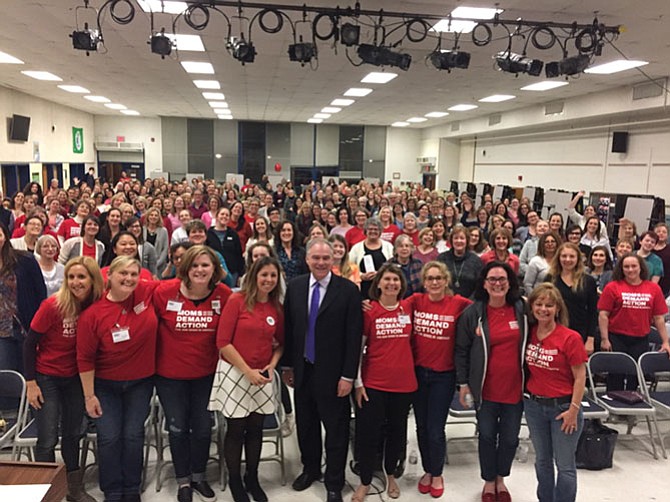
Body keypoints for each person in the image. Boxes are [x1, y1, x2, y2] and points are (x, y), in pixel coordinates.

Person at [282, 238, 362, 502]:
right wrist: (288, 366)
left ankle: (334, 482)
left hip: (334, 375)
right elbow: (290, 330)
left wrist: (348, 376)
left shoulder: (348, 290)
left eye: (326, 258)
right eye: (316, 258)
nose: (320, 263)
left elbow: (353, 337)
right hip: (303, 370)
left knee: (336, 431)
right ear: (307, 259)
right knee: (306, 426)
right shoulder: (294, 288)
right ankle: (311, 469)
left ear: (334, 260)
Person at [154, 245, 232, 502]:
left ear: (214, 269)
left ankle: (199, 475)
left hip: (207, 375)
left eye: (205, 265)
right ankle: (183, 480)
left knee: (202, 428)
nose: (200, 270)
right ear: (185, 267)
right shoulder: (165, 292)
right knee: (177, 429)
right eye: (195, 265)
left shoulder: (224, 294)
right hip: (170, 376)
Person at [77, 256, 158, 502]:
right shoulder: (93, 314)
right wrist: (89, 396)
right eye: (123, 273)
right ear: (108, 276)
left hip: (141, 383)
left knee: (133, 435)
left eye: (134, 274)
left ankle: (132, 487)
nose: (129, 279)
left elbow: (179, 284)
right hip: (105, 385)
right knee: (110, 436)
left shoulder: (145, 292)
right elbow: (84, 358)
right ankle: (112, 490)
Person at [24, 257, 103, 502]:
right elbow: (29, 344)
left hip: (76, 378)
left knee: (72, 434)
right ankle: (47, 491)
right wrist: (31, 383)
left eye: (81, 277)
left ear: (92, 279)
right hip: (47, 376)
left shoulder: (96, 306)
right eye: (71, 277)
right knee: (47, 437)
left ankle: (74, 489)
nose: (76, 282)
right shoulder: (53, 305)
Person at [213, 256, 284, 502]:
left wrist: (272, 365)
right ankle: (235, 479)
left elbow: (281, 344)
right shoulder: (237, 300)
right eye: (264, 274)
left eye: (273, 275)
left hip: (262, 375)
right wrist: (246, 370)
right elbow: (223, 342)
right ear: (254, 275)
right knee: (236, 430)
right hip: (236, 372)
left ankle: (251, 478)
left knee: (256, 430)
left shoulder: (276, 306)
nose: (268, 280)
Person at [455, 262, 527, 502]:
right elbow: (461, 350)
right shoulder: (473, 313)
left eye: (502, 279)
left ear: (510, 283)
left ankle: (501, 480)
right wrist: (463, 383)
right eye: (492, 279)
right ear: (484, 284)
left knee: (509, 438)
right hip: (484, 390)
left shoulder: (521, 309)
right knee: (486, 436)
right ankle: (488, 482)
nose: (497, 283)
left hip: (515, 389)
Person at [352, 263, 416, 502]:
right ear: (377, 283)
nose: (391, 284)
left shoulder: (409, 307)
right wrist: (358, 383)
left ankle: (391, 474)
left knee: (397, 433)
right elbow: (358, 350)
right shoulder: (369, 310)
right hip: (373, 384)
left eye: (396, 280)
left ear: (402, 285)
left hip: (404, 383)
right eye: (387, 279)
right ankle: (365, 480)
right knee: (368, 434)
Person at [408, 261, 472, 498]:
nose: (434, 282)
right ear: (424, 282)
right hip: (417, 373)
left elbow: (483, 310)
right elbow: (389, 306)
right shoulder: (415, 301)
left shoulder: (458, 304)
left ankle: (437, 473)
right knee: (421, 427)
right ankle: (428, 469)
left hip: (443, 376)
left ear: (446, 281)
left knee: (435, 429)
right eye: (430, 278)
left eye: (438, 278)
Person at [524, 283, 588, 502]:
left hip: (563, 409)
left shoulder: (570, 338)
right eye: (539, 304)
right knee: (542, 461)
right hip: (533, 407)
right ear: (532, 307)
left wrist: (574, 410)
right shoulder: (529, 334)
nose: (543, 309)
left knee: (565, 465)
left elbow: (580, 376)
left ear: (558, 308)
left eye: (549, 305)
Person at [598, 254, 670, 390]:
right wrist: (604, 339)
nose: (630, 269)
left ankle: (632, 406)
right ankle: (615, 406)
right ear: (621, 269)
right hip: (616, 338)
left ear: (640, 267)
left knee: (635, 376)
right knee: (615, 376)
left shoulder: (653, 289)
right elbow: (603, 315)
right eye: (626, 266)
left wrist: (665, 341)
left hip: (640, 339)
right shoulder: (612, 287)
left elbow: (659, 318)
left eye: (634, 266)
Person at [0, 221, 47, 372]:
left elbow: (40, 292)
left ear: (5, 236)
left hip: (21, 326)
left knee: (22, 374)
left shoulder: (25, 260)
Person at [546, 243, 598, 354]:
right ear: (558, 258)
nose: (567, 259)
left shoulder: (588, 281)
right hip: (555, 330)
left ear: (578, 259)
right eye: (564, 256)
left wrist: (590, 339)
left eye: (572, 256)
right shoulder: (550, 279)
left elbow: (593, 312)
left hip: (580, 332)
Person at [349, 218, 394, 299]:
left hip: (384, 290)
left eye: (376, 229)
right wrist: (361, 276)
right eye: (370, 229)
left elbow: (393, 267)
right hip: (362, 290)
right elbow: (348, 267)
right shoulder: (356, 248)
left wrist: (379, 274)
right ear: (365, 231)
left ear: (380, 231)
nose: (373, 231)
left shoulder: (388, 247)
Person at [437, 225, 483, 299]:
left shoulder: (476, 261)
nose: (459, 241)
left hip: (469, 304)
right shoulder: (441, 259)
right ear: (451, 240)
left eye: (462, 238)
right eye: (456, 238)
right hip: (445, 302)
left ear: (467, 240)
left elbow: (480, 286)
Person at [207, 206, 245, 285]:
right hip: (214, 273)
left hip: (232, 272)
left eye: (227, 215)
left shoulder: (233, 234)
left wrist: (240, 274)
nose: (224, 216)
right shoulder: (208, 234)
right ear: (217, 216)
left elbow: (239, 254)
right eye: (222, 214)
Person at [143, 207, 169, 273]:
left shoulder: (163, 231)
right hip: (144, 265)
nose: (153, 217)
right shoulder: (142, 229)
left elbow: (165, 249)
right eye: (151, 215)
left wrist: (157, 263)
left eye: (156, 215)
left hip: (159, 266)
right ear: (148, 216)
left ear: (159, 218)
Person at [652, 223, 670, 296]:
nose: (661, 233)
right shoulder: (647, 247)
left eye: (664, 232)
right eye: (658, 231)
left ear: (667, 235)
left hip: (665, 287)